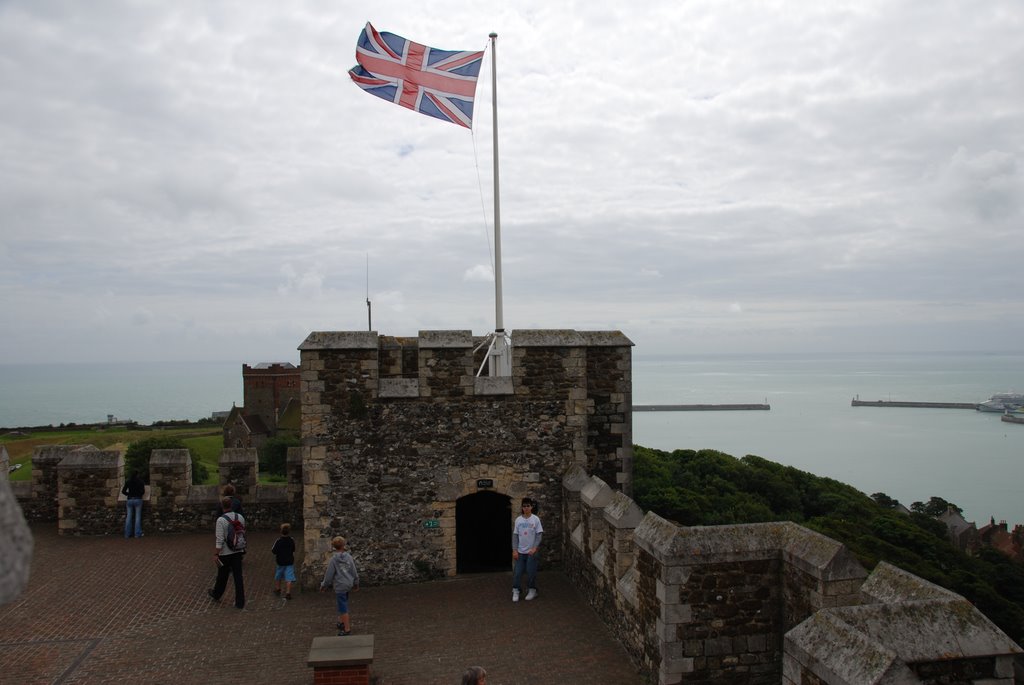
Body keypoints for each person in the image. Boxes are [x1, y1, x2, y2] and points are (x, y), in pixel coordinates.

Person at [208, 496, 246, 609]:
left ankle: (217, 594)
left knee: (222, 576)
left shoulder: (221, 520)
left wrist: (216, 554)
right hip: (238, 551)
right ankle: (240, 602)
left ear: (222, 506)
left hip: (225, 553)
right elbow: (243, 533)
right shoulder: (240, 517)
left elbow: (219, 539)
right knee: (238, 577)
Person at [320, 535, 359, 635]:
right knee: (344, 601)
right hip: (348, 583)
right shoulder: (349, 557)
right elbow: (353, 571)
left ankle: (347, 629)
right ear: (344, 545)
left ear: (334, 547)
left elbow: (329, 575)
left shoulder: (334, 560)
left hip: (339, 585)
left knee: (342, 607)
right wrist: (356, 582)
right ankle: (342, 622)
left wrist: (324, 585)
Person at [511, 497, 543, 602]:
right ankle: (516, 590)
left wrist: (534, 548)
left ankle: (532, 590)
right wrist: (515, 550)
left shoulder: (535, 519)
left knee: (530, 572)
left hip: (531, 552)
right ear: (522, 507)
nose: (526, 508)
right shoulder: (518, 520)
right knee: (517, 572)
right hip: (520, 552)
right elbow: (515, 536)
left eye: (528, 506)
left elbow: (539, 535)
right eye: (524, 506)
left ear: (531, 507)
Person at [271, 522, 296, 599]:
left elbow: (273, 550)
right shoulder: (291, 540)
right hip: (289, 561)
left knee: (278, 576)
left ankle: (278, 589)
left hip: (280, 561)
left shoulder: (278, 541)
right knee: (289, 577)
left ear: (281, 531)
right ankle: (288, 592)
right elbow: (293, 549)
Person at [121, 471, 145, 539]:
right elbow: (143, 492)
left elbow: (123, 491)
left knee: (128, 517)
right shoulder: (141, 482)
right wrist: (138, 494)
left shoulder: (128, 481)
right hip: (138, 499)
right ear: (138, 475)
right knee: (137, 517)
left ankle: (127, 534)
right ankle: (137, 534)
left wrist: (129, 494)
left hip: (129, 500)